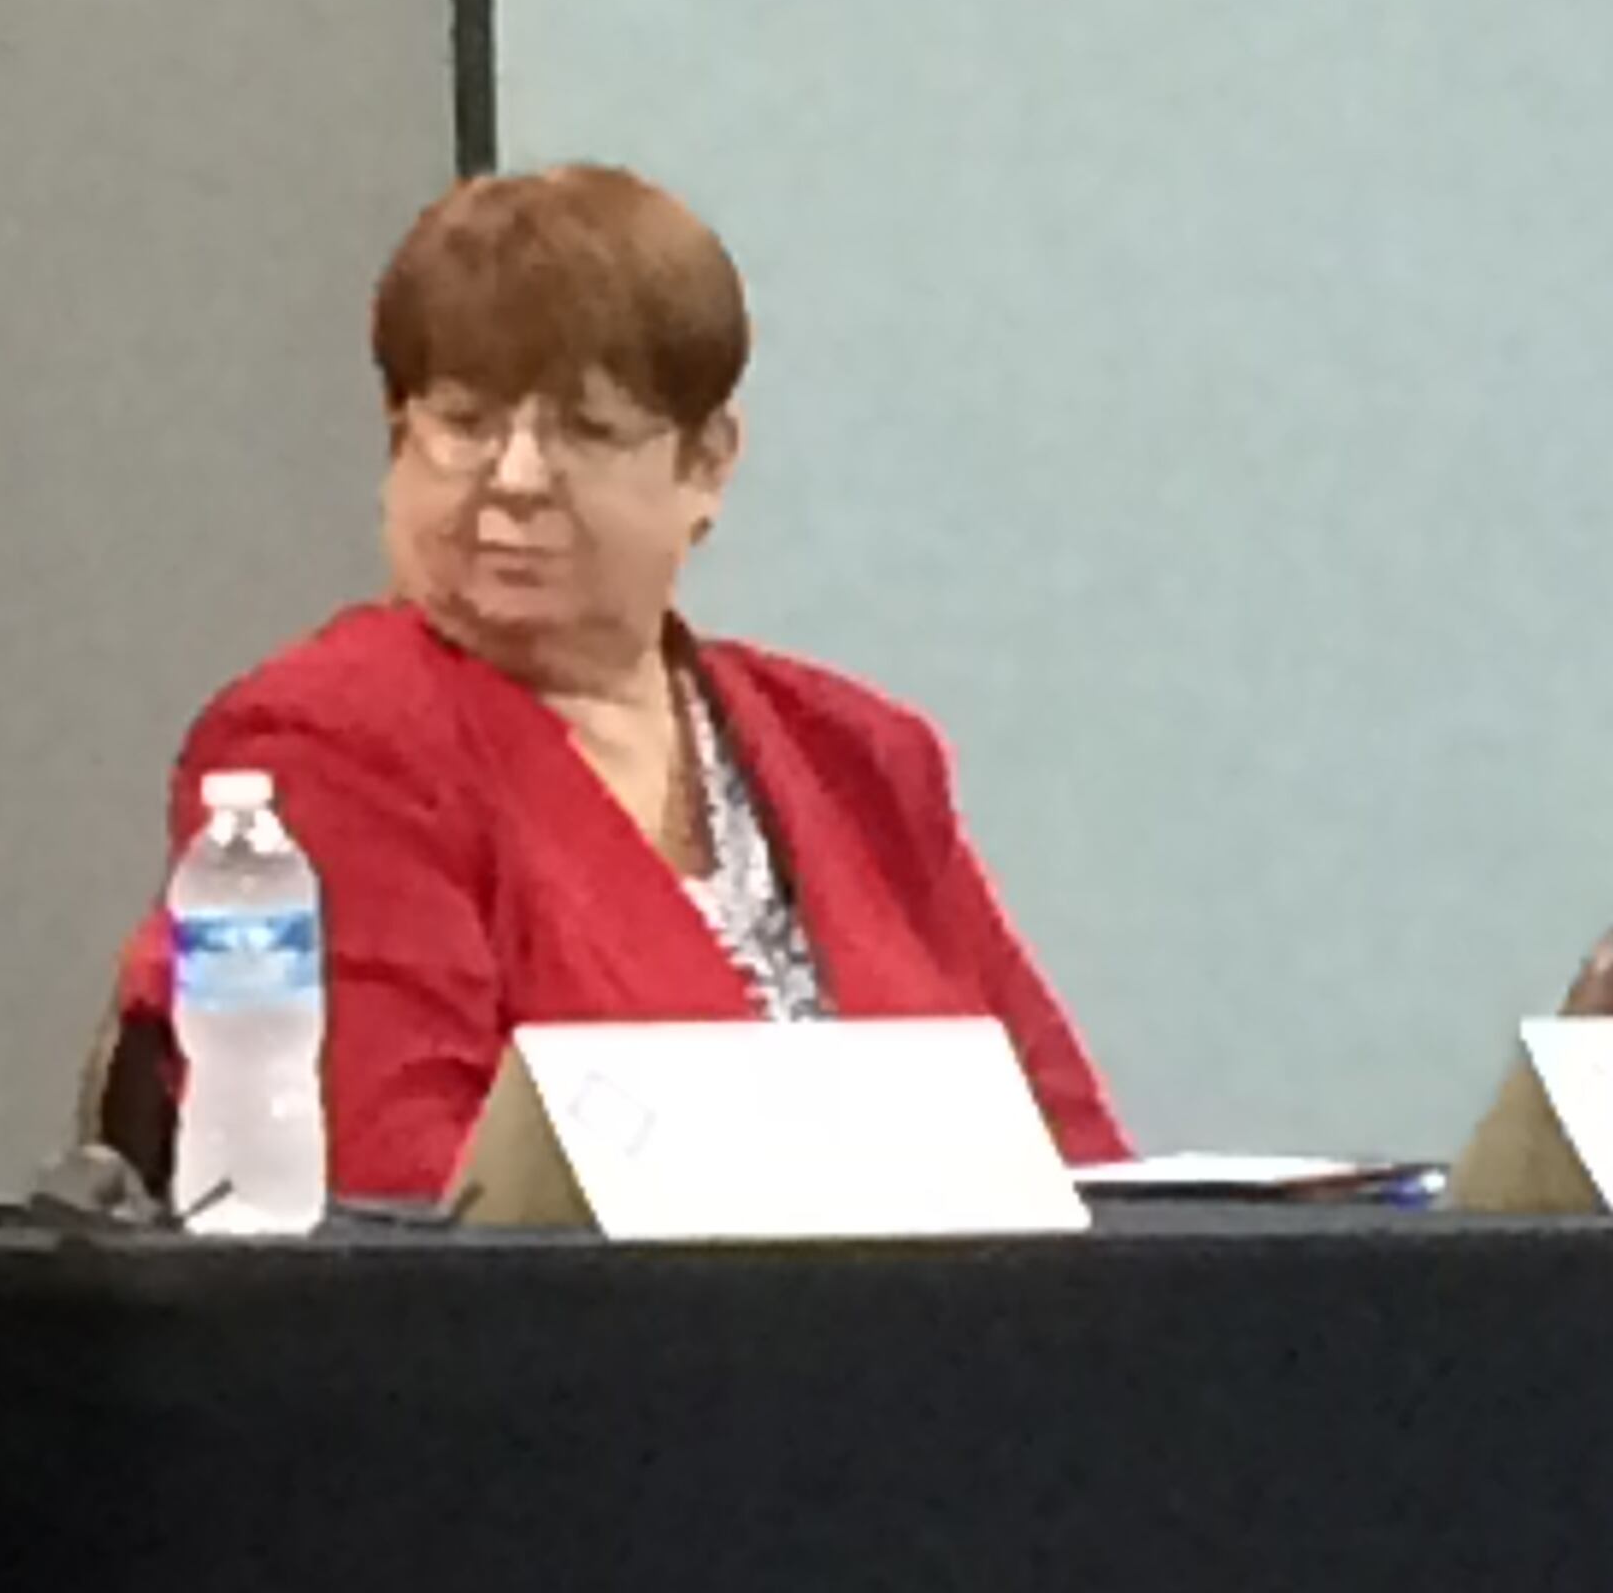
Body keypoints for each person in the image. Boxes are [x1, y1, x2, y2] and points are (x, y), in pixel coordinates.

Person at [103, 164, 1127, 1200]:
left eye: (584, 431)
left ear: (708, 464)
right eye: (464, 421)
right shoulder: (324, 743)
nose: (513, 479)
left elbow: (1080, 1168)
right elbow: (401, 1193)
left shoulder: (862, 755)